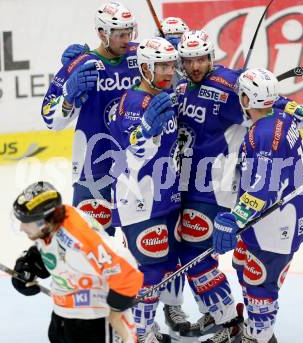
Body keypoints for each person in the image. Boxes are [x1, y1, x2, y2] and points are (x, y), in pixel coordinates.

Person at [173, 29, 303, 342]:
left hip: (216, 188)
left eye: (201, 58)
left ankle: (229, 321)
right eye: (189, 60)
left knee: (201, 258)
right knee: (237, 263)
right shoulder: (182, 86)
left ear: (211, 56)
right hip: (189, 183)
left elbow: (275, 104)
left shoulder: (229, 87)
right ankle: (231, 319)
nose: (196, 65)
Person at [212, 68, 303, 343]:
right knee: (243, 265)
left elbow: (262, 189)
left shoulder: (265, 135)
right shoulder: (280, 116)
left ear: (247, 100)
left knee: (260, 285)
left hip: (275, 224)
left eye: (240, 96)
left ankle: (259, 337)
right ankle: (255, 330)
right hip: (271, 219)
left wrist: (234, 218)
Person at [108, 37, 184, 343]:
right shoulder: (132, 103)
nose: (168, 71)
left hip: (164, 196)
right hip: (138, 200)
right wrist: (145, 132)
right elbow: (131, 151)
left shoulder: (165, 96)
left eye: (170, 65)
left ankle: (146, 327)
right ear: (143, 68)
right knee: (149, 272)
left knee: (164, 266)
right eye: (160, 66)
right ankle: (137, 334)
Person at [40, 1, 140, 235]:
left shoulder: (141, 58)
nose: (126, 39)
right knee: (88, 241)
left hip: (139, 166)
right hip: (92, 167)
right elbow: (50, 120)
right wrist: (67, 97)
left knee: (144, 246)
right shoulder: (82, 65)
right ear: (102, 33)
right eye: (120, 34)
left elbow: (176, 75)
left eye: (129, 32)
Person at [11, 181, 143, 343]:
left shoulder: (81, 236)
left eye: (26, 221)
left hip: (95, 322)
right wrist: (30, 265)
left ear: (44, 221)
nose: (22, 227)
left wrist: (116, 309)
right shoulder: (50, 225)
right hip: (64, 316)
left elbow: (127, 271)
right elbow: (52, 249)